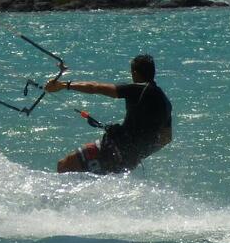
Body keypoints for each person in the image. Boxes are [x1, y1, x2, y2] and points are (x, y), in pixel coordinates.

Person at [44, 53, 172, 174]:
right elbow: (166, 138)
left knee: (64, 165)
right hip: (129, 161)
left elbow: (95, 87)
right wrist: (138, 153)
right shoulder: (165, 102)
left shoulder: (137, 89)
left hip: (111, 149)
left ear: (134, 73)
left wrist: (63, 85)